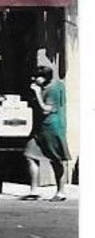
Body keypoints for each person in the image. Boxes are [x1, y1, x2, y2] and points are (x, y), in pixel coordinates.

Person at [25, 62, 70, 201]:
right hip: (40, 128)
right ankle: (34, 190)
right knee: (30, 154)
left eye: (37, 77)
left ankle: (61, 191)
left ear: (45, 78)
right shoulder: (48, 85)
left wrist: (38, 94)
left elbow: (46, 109)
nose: (34, 79)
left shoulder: (53, 89)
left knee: (56, 159)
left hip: (52, 127)